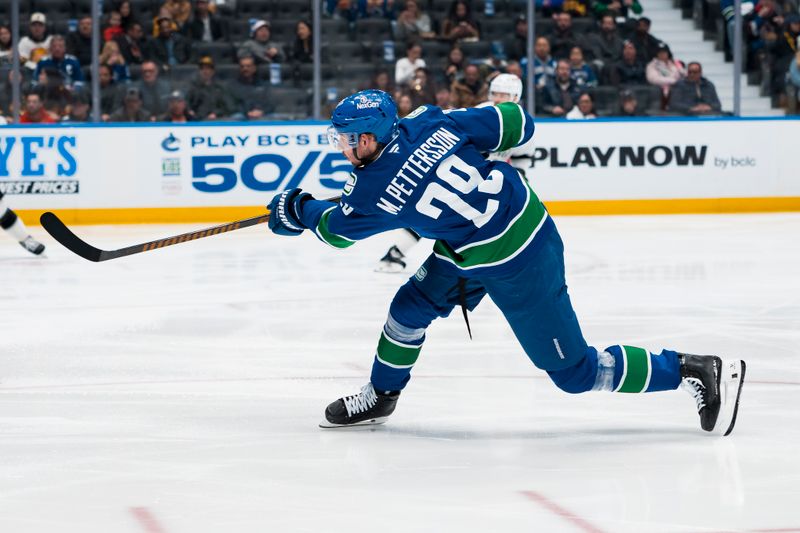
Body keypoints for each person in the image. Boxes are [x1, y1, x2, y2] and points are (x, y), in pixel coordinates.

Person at [265, 88, 746, 435]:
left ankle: (692, 368)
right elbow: (520, 124)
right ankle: (382, 395)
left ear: (368, 139)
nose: (342, 147)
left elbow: (334, 231)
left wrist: (295, 209)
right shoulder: (433, 120)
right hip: (477, 246)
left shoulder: (371, 189)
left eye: (345, 139)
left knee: (575, 373)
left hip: (521, 261)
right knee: (408, 309)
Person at [376, 74, 532, 274]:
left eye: (505, 94)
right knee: (436, 213)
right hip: (460, 177)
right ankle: (396, 253)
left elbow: (522, 159)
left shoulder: (521, 124)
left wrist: (516, 181)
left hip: (488, 184)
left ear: (516, 96)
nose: (499, 98)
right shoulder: (483, 113)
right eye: (496, 93)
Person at [186, 55, 234, 120]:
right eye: (202, 68)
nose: (205, 71)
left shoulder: (220, 88)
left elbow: (227, 107)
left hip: (216, 120)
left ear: (213, 71)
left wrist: (216, 113)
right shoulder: (193, 88)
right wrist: (189, 111)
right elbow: (186, 102)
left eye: (208, 69)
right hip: (197, 120)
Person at [229, 55, 273, 120]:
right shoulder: (232, 85)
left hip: (262, 114)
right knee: (236, 116)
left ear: (254, 68)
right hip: (242, 116)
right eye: (242, 66)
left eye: (248, 66)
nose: (245, 69)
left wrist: (262, 111)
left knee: (275, 116)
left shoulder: (264, 85)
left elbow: (270, 104)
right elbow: (231, 106)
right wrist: (248, 113)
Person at [646, 41, 683, 105]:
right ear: (656, 53)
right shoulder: (652, 65)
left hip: (678, 93)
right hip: (659, 95)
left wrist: (680, 70)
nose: (662, 54)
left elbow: (683, 74)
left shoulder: (675, 63)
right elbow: (654, 79)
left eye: (664, 52)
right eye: (660, 52)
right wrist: (674, 81)